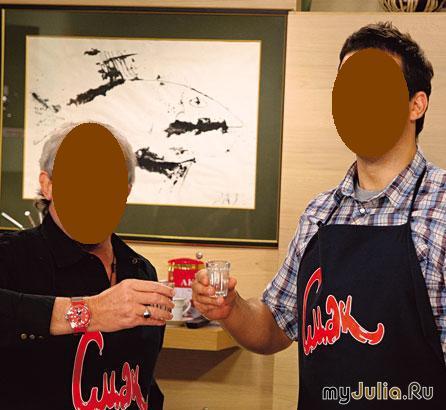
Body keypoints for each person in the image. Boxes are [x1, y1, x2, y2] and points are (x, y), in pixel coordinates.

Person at [192, 22, 446, 409]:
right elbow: (274, 326)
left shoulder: (440, 207)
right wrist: (231, 308)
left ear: (416, 105)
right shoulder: (319, 213)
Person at [0, 122, 174, 409]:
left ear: (126, 191)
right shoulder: (12, 256)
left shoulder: (141, 271)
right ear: (48, 185)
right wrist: (88, 312)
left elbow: (142, 382)